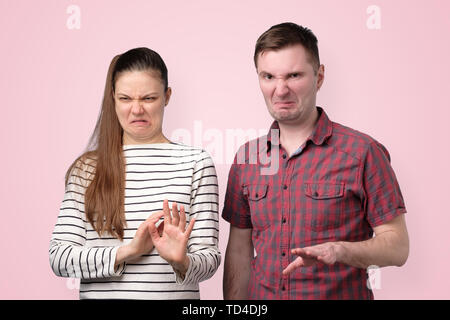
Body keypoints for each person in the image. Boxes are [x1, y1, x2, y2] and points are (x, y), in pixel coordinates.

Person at [222, 22, 409, 300]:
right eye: (269, 76)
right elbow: (238, 249)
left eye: (294, 75)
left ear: (319, 76)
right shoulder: (247, 158)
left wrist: (341, 250)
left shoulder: (363, 152)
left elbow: (398, 247)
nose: (280, 89)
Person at [49, 47, 220, 299]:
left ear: (167, 96)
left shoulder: (196, 163)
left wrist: (181, 261)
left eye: (148, 98)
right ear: (113, 98)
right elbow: (59, 256)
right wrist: (128, 251)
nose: (137, 110)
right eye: (126, 98)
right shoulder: (87, 169)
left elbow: (210, 258)